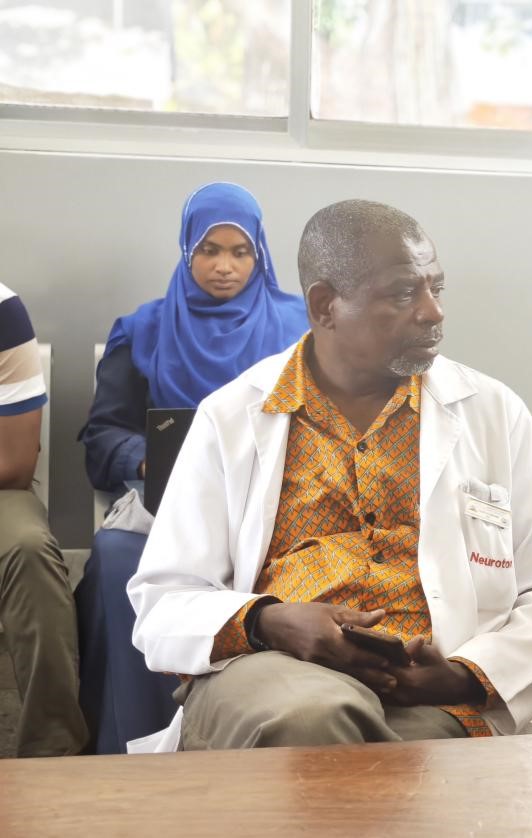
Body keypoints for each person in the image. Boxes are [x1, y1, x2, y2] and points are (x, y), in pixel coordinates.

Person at [127, 199, 532, 752]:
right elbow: (165, 598)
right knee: (316, 721)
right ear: (325, 306)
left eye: (436, 288)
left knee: (394, 758)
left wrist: (464, 676)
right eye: (403, 293)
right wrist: (270, 622)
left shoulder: (493, 411)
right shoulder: (232, 416)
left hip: (429, 697)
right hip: (273, 673)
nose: (433, 312)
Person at [76, 182, 309, 752]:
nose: (224, 267)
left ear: (260, 254)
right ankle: (128, 743)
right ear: (187, 251)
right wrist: (148, 457)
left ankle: (251, 744)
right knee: (114, 557)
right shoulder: (144, 330)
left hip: (275, 515)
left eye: (240, 251)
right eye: (209, 250)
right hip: (168, 514)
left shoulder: (300, 330)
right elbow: (102, 437)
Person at [0, 283, 88, 756]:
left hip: (1, 490)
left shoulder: (2, 308)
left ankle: (51, 754)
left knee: (29, 549)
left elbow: (15, 462)